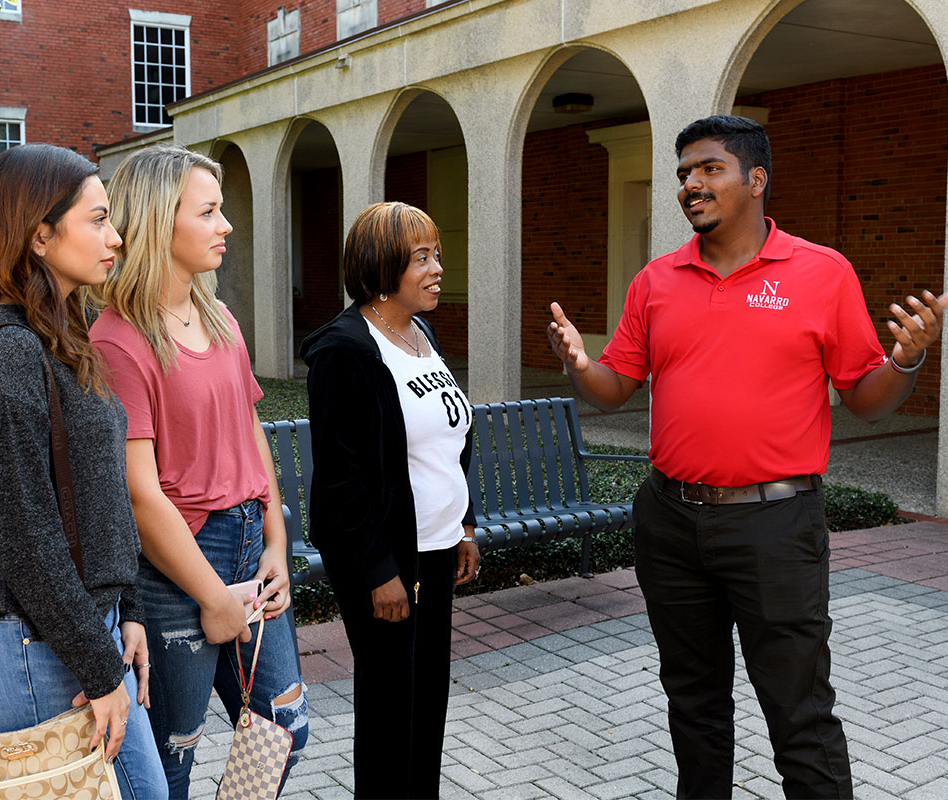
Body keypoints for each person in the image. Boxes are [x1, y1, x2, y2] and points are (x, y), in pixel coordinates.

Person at [547, 114, 947, 799]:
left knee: (799, 715)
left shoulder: (822, 272)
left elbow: (866, 401)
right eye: (682, 174)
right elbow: (615, 389)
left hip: (775, 527)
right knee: (694, 708)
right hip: (669, 523)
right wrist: (581, 365)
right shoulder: (656, 280)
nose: (690, 186)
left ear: (756, 180)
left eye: (708, 169)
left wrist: (905, 362)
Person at [0, 143, 167, 799]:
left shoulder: (59, 336)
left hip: (78, 631)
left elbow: (98, 499)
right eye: (97, 219)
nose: (115, 237)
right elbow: (26, 536)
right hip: (39, 649)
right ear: (40, 234)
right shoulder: (9, 353)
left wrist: (130, 609)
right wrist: (99, 668)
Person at [89, 144, 308, 798]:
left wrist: (275, 541)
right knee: (169, 761)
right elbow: (139, 492)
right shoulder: (118, 339)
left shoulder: (219, 319)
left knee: (283, 726)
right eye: (209, 211)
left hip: (248, 540)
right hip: (176, 569)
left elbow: (250, 434)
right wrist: (213, 598)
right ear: (161, 222)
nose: (226, 225)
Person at [300, 201, 481, 799]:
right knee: (388, 715)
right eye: (422, 258)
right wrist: (378, 571)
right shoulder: (346, 349)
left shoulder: (419, 333)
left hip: (435, 548)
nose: (437, 270)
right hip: (386, 562)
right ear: (382, 266)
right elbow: (339, 481)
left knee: (427, 705)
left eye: (438, 256)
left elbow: (448, 441)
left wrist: (466, 526)